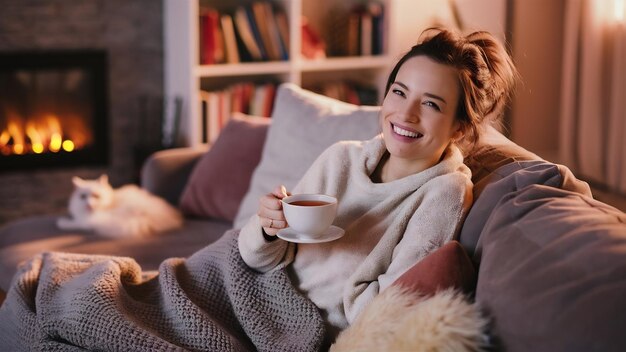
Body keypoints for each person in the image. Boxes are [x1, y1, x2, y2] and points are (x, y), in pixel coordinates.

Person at [238, 27, 518, 341]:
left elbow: (384, 310)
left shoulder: (444, 193)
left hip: (291, 326)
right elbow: (254, 258)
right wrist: (267, 227)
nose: (406, 114)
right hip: (243, 285)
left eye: (431, 105)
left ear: (458, 128)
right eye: (399, 92)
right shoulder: (341, 158)